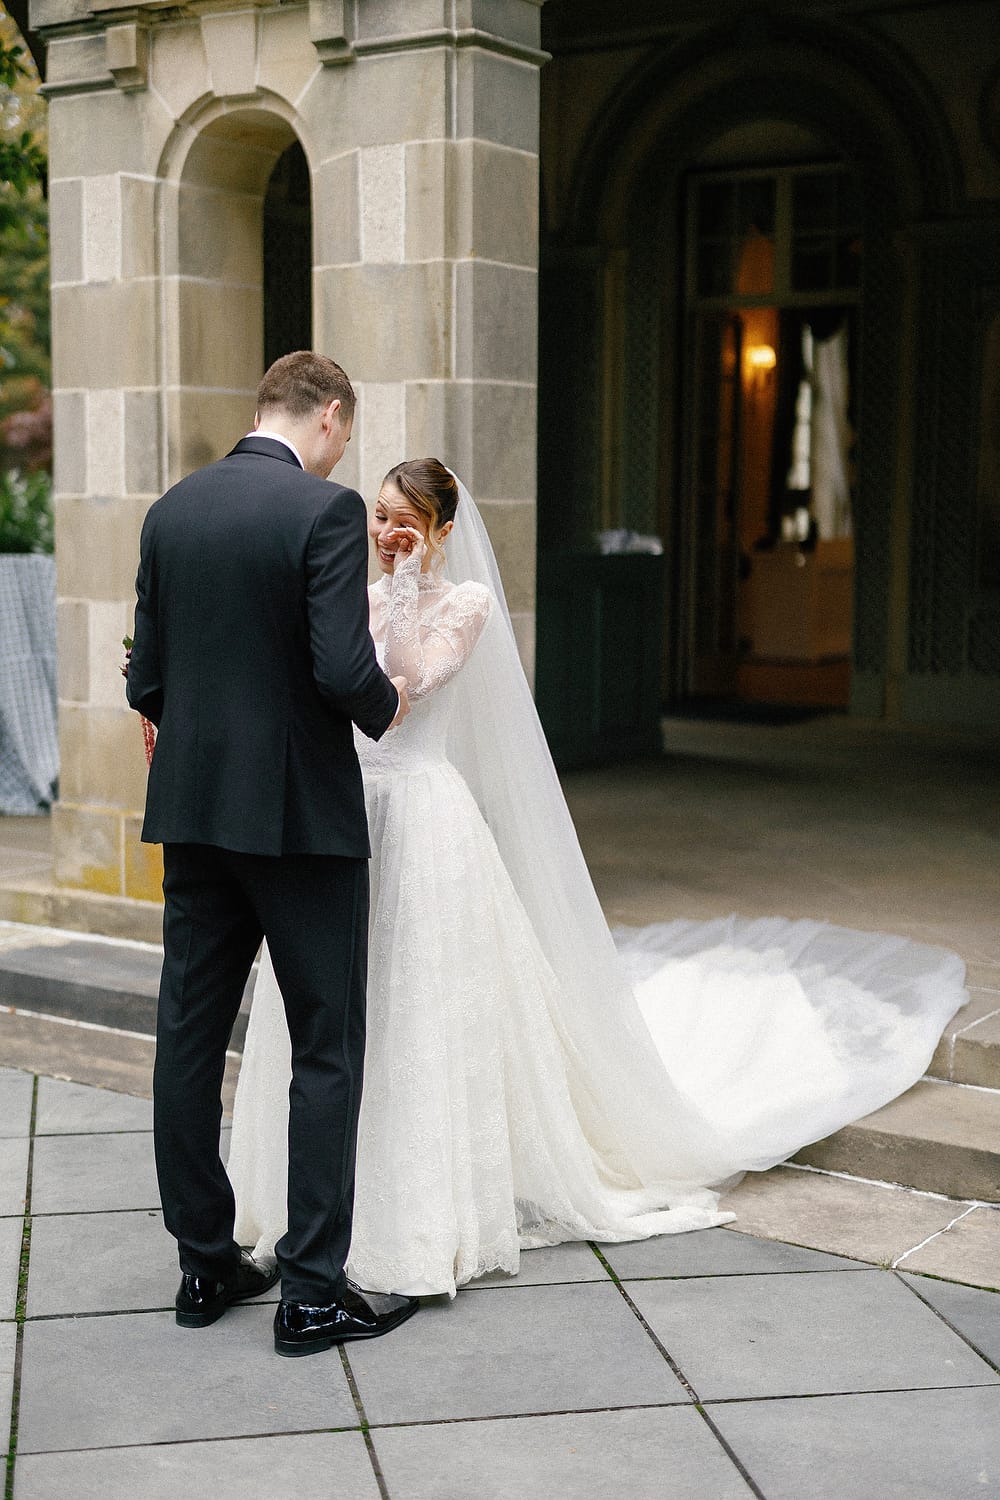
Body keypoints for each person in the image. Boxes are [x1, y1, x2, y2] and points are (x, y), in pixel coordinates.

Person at [228, 458, 968, 1300]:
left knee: (420, 1003)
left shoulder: (462, 605)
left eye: (407, 520)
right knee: (342, 1007)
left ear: (441, 530)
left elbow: (403, 688)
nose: (390, 532)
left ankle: (417, 1216)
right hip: (349, 815)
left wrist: (401, 585)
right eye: (380, 516)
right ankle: (319, 1203)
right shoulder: (351, 600)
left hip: (426, 822)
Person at [126, 352, 421, 1356]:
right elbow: (342, 667)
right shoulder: (322, 510)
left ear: (261, 407)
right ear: (331, 416)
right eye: (345, 431)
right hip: (299, 821)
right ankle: (309, 1292)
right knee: (326, 1043)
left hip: (195, 817)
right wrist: (389, 704)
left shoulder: (172, 510)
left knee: (189, 1034)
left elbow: (147, 677)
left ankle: (205, 1262)